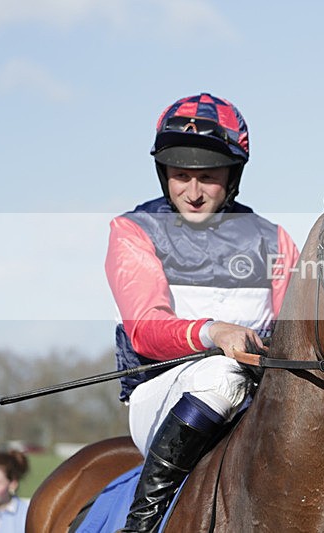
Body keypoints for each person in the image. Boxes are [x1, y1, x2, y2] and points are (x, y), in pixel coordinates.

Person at [105, 92, 300, 532]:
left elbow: (295, 329)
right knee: (219, 376)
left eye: (207, 177)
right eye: (179, 176)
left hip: (257, 398)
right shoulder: (133, 231)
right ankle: (141, 522)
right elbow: (145, 329)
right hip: (163, 392)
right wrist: (215, 333)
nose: (192, 193)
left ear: (233, 176)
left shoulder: (275, 240)